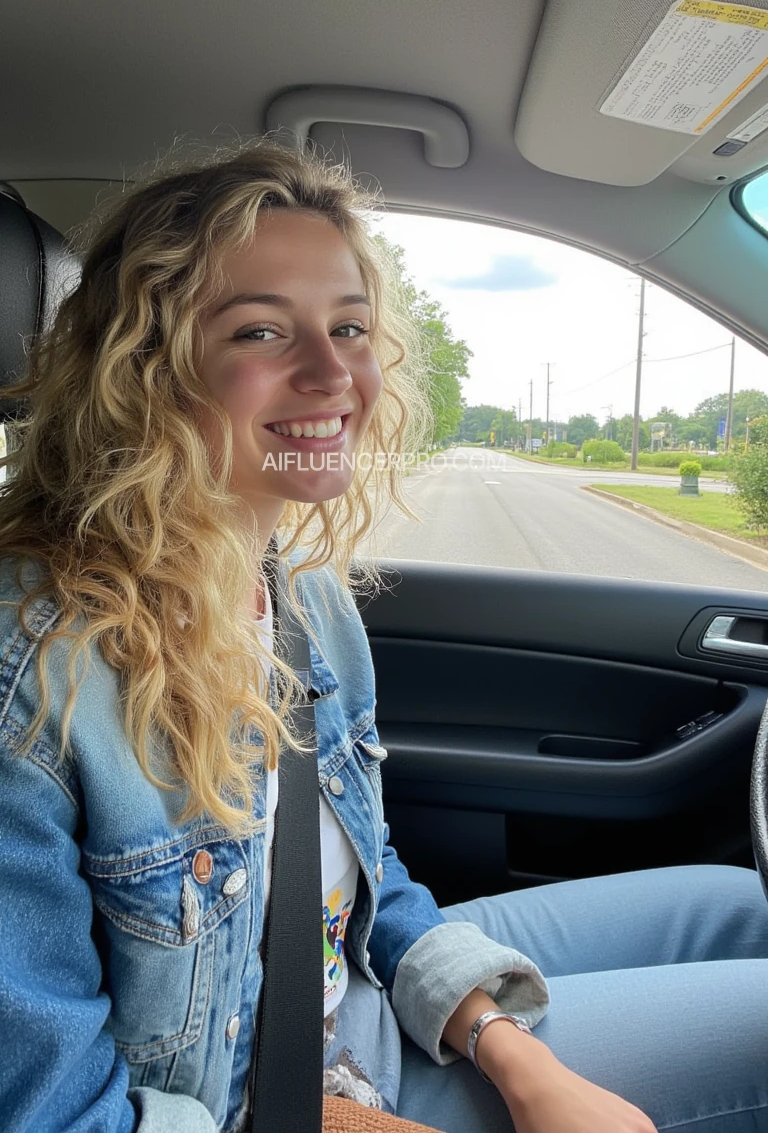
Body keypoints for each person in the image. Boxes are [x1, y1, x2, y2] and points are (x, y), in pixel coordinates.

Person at [1, 142, 767, 1133]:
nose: (333, 375)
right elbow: (54, 1116)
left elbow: (365, 885)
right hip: (270, 1101)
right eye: (263, 332)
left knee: (736, 908)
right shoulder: (34, 673)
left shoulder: (300, 591)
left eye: (350, 327)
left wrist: (511, 1052)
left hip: (350, 1001)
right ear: (147, 367)